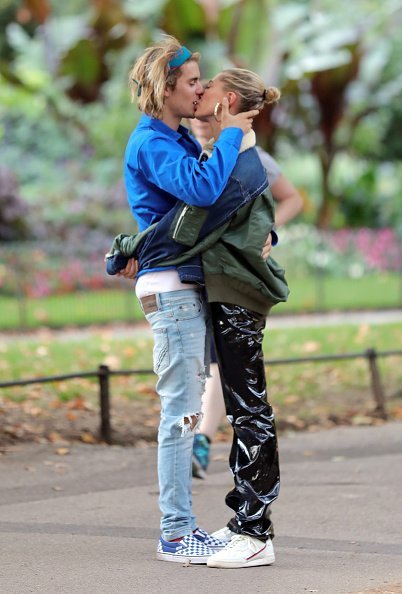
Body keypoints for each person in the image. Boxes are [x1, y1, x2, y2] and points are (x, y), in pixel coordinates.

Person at [110, 66, 291, 568]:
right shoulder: (221, 152)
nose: (199, 89)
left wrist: (126, 251)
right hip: (216, 292)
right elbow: (195, 222)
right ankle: (236, 525)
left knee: (245, 409)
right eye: (192, 80)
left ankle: (252, 529)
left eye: (205, 84)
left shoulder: (238, 158)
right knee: (235, 408)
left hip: (232, 295)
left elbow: (191, 224)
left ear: (226, 99)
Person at [188, 119, 304, 480]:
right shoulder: (186, 154)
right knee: (200, 361)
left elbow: (293, 198)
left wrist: (268, 228)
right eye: (197, 115)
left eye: (209, 117)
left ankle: (201, 442)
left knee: (219, 360)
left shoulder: (251, 157)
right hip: (191, 272)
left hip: (231, 274)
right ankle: (190, 444)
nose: (201, 123)